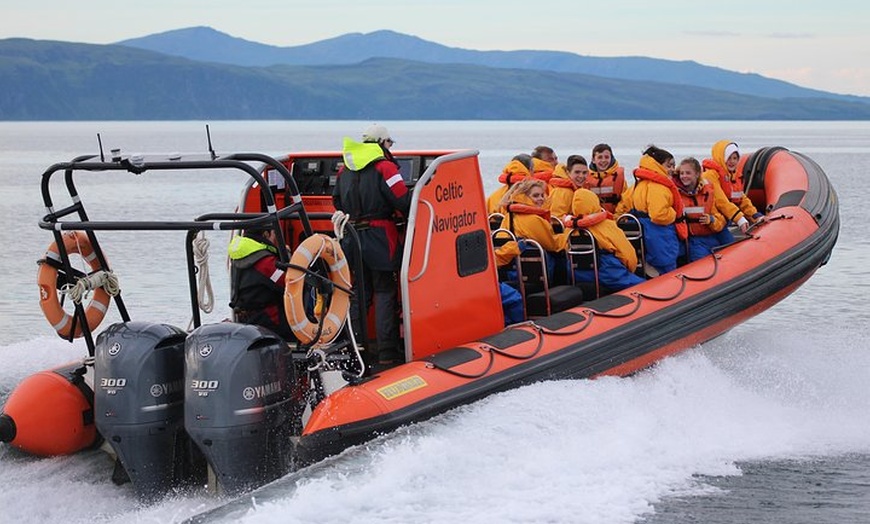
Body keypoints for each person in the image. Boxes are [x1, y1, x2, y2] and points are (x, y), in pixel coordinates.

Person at [333, 123, 411, 368]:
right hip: (380, 236)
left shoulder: (344, 169)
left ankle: (356, 348)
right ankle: (387, 352)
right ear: (382, 143)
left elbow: (336, 201)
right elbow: (403, 200)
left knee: (359, 294)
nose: (390, 147)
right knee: (384, 291)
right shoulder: (385, 167)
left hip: (351, 236)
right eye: (389, 143)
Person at [565, 189, 645, 290]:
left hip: (577, 274)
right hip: (608, 272)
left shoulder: (569, 229)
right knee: (645, 287)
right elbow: (627, 254)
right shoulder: (607, 226)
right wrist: (631, 269)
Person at [228, 226, 293, 341]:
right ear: (266, 235)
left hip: (244, 318)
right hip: (268, 321)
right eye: (274, 234)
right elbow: (288, 283)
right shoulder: (265, 262)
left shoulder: (239, 255)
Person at [629, 145, 686, 275]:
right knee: (667, 267)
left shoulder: (640, 183)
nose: (672, 169)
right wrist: (673, 213)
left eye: (673, 165)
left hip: (647, 233)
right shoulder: (658, 187)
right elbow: (658, 214)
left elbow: (625, 204)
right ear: (658, 166)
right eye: (669, 165)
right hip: (659, 234)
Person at [701, 140, 755, 243]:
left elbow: (742, 199)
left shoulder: (733, 176)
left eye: (735, 158)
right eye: (728, 158)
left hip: (722, 222)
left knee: (730, 244)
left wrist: (755, 215)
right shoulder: (710, 175)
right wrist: (740, 219)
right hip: (712, 222)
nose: (732, 161)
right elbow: (721, 201)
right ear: (722, 158)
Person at [675, 157, 728, 262]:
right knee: (701, 264)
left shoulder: (707, 192)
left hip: (712, 236)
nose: (684, 176)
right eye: (682, 173)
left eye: (688, 173)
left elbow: (720, 219)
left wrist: (711, 220)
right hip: (694, 241)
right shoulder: (676, 194)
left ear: (697, 174)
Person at [586, 143, 629, 215]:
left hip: (615, 217)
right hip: (593, 217)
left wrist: (617, 215)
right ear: (593, 160)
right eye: (600, 157)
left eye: (606, 157)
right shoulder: (586, 178)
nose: (603, 160)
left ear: (611, 158)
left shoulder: (619, 178)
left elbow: (625, 200)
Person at [547, 154, 589, 219]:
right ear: (568, 172)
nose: (581, 176)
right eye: (577, 172)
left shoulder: (579, 189)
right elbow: (555, 219)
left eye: (584, 173)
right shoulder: (562, 191)